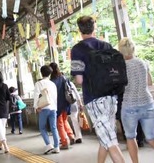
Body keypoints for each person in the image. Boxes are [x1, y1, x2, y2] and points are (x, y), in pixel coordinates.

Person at [71, 16, 125, 163]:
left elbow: (79, 80)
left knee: (110, 141)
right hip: (112, 98)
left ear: (79, 30)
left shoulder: (76, 50)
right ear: (94, 27)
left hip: (94, 99)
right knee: (106, 137)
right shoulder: (107, 46)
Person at [118, 37, 154, 163]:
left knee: (131, 137)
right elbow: (150, 82)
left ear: (120, 51)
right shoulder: (143, 63)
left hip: (129, 105)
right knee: (152, 138)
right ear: (133, 49)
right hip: (147, 104)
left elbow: (120, 87)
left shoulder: (121, 67)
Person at [33, 65, 60, 154]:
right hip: (53, 108)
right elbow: (55, 97)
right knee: (54, 127)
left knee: (42, 128)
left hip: (43, 108)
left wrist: (36, 107)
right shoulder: (53, 84)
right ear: (50, 73)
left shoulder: (39, 83)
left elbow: (36, 96)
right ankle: (56, 147)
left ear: (41, 73)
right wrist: (55, 107)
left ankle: (49, 145)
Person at [50, 62, 75, 149]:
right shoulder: (64, 77)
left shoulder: (52, 82)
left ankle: (65, 142)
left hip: (58, 105)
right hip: (66, 103)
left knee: (59, 124)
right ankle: (71, 136)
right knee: (64, 121)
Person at [68, 79, 84, 144]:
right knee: (75, 121)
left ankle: (68, 136)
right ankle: (78, 137)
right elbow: (77, 94)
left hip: (65, 105)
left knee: (63, 121)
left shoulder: (60, 84)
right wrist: (80, 103)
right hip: (73, 103)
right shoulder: (70, 83)